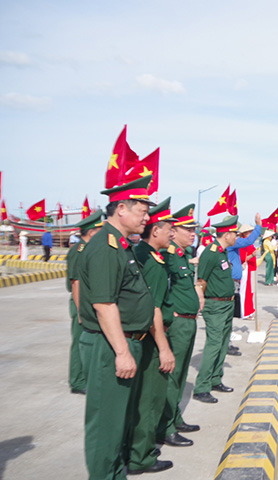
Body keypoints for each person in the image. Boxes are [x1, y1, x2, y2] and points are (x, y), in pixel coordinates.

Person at [77, 175, 164, 478]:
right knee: (106, 427)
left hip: (122, 342)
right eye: (142, 211)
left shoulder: (121, 245)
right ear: (122, 210)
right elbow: (104, 305)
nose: (147, 217)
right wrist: (122, 352)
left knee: (117, 425)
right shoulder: (106, 247)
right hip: (110, 345)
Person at [129, 198, 177, 474]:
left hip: (145, 336)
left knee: (143, 398)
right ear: (156, 231)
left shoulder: (147, 255)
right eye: (169, 228)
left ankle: (138, 448)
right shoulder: (151, 262)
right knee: (149, 399)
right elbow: (153, 308)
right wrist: (163, 347)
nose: (172, 233)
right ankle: (142, 457)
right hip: (150, 339)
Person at [158, 203, 202, 448]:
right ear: (173, 231)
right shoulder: (168, 256)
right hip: (177, 323)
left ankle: (174, 418)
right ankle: (165, 427)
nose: (193, 233)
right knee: (172, 378)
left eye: (194, 229)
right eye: (188, 229)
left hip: (189, 322)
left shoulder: (183, 255)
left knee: (181, 374)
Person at [193, 215, 242, 404]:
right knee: (213, 344)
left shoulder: (223, 252)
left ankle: (215, 379)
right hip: (215, 305)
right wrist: (201, 303)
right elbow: (201, 280)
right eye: (235, 234)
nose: (236, 237)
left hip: (227, 304)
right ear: (227, 234)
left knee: (222, 344)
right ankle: (202, 387)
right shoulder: (211, 253)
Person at [65, 210, 104, 395]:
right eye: (99, 230)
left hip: (87, 301)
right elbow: (76, 283)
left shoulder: (87, 249)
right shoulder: (78, 250)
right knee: (79, 342)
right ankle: (77, 381)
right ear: (91, 232)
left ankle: (85, 377)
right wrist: (81, 311)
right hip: (80, 302)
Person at [227, 220, 262, 320]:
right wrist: (252, 255)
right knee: (244, 292)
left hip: (251, 270)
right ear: (244, 233)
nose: (251, 234)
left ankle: (249, 311)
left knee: (250, 292)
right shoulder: (241, 244)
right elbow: (242, 259)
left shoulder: (246, 243)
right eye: (249, 232)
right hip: (245, 270)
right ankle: (244, 313)